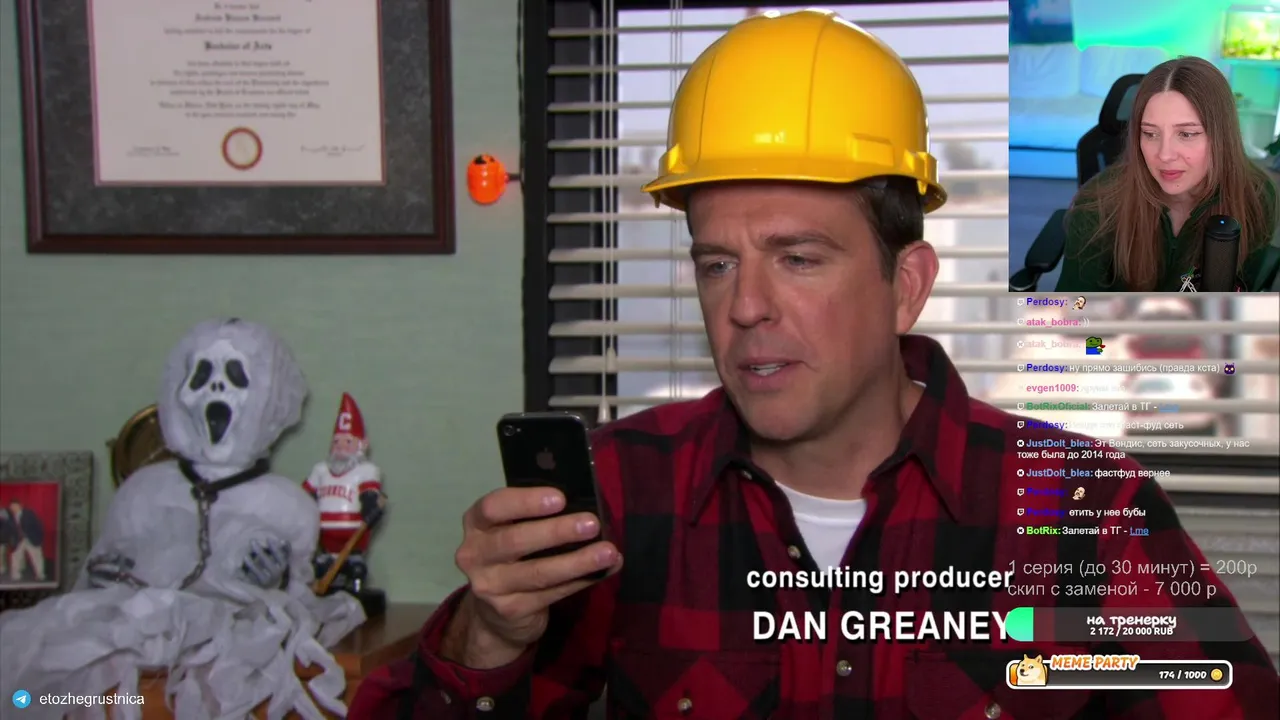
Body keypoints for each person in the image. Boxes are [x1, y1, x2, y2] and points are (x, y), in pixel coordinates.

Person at [351, 10, 1279, 719]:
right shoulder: (621, 495)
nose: (745, 307)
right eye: (717, 264)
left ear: (905, 286)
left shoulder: (1085, 512)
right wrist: (486, 637)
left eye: (797, 258)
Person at [1056, 56, 1279, 292]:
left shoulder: (1255, 195)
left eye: (1186, 134)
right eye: (1150, 134)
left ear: (1221, 137)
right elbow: (1075, 309)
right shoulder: (1097, 205)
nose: (1164, 155)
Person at [303, 392, 386, 591]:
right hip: (324, 541)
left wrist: (371, 506)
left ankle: (356, 589)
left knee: (356, 570)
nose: (340, 446)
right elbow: (304, 496)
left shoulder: (366, 471)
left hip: (353, 541)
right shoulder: (320, 470)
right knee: (320, 569)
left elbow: (369, 495)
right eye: (336, 441)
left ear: (362, 445)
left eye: (347, 442)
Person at [6, 500, 46, 583]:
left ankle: (40, 574)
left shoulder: (28, 513)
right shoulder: (11, 516)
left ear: (20, 505)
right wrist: (12, 540)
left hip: (31, 538)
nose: (13, 508)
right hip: (19, 540)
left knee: (36, 557)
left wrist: (38, 537)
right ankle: (15, 574)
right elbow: (11, 529)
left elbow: (37, 525)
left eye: (14, 506)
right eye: (11, 507)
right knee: (15, 557)